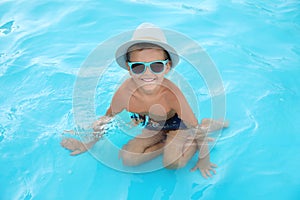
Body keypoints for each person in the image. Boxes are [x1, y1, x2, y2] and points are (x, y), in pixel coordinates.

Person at [61, 23, 228, 178]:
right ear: (129, 68)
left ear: (167, 67)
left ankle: (203, 129)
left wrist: (203, 159)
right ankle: (167, 143)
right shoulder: (124, 94)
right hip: (155, 124)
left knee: (173, 163)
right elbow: (106, 119)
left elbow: (194, 126)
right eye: (139, 66)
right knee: (128, 159)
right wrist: (88, 144)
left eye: (156, 66)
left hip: (179, 124)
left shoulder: (171, 95)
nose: (148, 73)